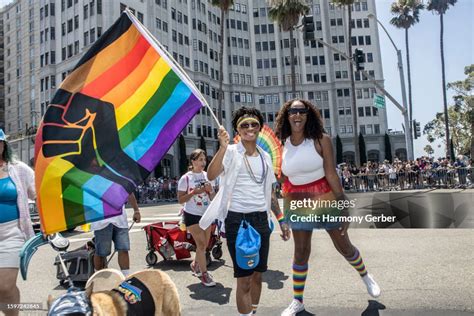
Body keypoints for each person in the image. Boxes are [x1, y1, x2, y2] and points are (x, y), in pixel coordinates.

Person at [274, 99, 381, 316]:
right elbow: (284, 175)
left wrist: (344, 205)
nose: (297, 115)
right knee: (301, 252)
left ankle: (365, 275)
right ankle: (298, 301)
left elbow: (331, 173)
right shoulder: (281, 144)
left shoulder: (321, 139)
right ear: (287, 116)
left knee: (344, 245)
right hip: (296, 199)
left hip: (325, 195)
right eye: (293, 111)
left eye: (301, 111)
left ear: (308, 115)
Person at [200, 107, 291, 316]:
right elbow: (211, 175)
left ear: (259, 127)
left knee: (258, 275)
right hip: (238, 221)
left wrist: (281, 220)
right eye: (244, 125)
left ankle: (253, 312)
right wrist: (222, 147)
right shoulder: (232, 152)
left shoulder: (265, 157)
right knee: (244, 278)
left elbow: (270, 192)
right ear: (238, 130)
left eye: (253, 124)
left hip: (261, 219)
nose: (249, 128)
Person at [0, 128, 36, 316]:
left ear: (3, 145)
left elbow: (39, 193)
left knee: (5, 286)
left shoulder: (18, 168)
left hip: (12, 233)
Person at [177, 149, 216, 287]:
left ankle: (195, 264)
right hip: (191, 214)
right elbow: (180, 200)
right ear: (192, 161)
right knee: (200, 244)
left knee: (204, 246)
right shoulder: (186, 178)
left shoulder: (207, 176)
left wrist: (210, 190)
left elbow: (212, 197)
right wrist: (194, 192)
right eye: (200, 160)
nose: (203, 163)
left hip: (206, 214)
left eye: (204, 160)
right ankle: (204, 274)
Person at [91, 192, 141, 277]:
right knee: (101, 252)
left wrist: (136, 210)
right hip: (102, 220)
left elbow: (128, 191)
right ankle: (97, 278)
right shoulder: (95, 179)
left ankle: (126, 278)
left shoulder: (120, 178)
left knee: (123, 249)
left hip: (120, 220)